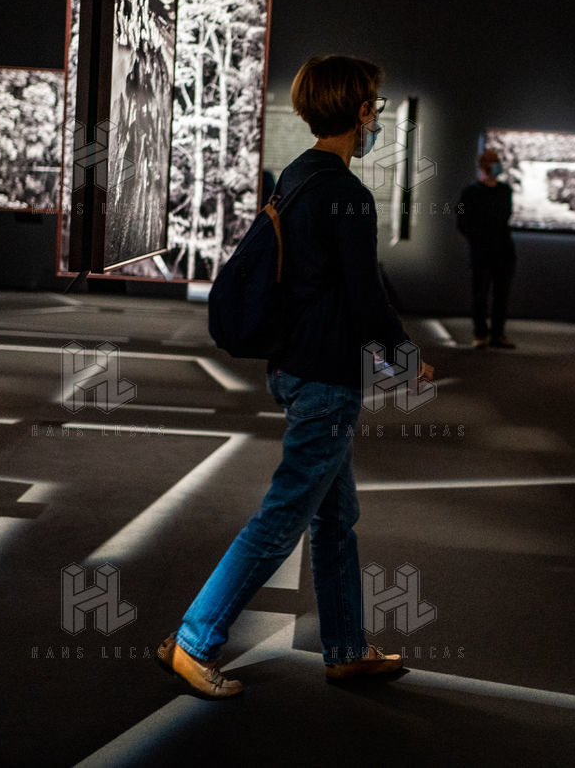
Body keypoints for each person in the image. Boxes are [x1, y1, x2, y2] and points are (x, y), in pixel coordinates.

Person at [160, 55, 434, 698]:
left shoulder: (297, 177)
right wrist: (405, 358)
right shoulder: (347, 195)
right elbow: (366, 299)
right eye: (375, 107)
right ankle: (194, 640)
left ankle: (345, 650)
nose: (377, 119)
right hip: (325, 378)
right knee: (283, 517)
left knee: (336, 519)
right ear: (359, 111)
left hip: (293, 366)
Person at [456, 148, 516, 349]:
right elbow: (461, 219)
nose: (496, 165)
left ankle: (497, 334)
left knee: (502, 295)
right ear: (483, 165)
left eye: (497, 161)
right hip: (482, 252)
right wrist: (476, 239)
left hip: (504, 251)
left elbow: (505, 216)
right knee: (480, 295)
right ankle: (481, 334)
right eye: (492, 161)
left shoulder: (505, 190)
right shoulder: (471, 192)